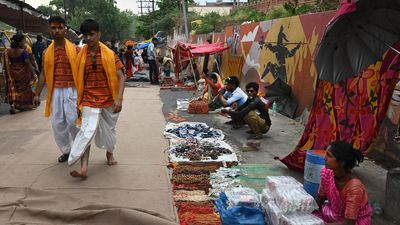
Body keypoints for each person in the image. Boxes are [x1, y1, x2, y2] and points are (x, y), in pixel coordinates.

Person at [68, 19, 125, 179]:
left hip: (108, 99)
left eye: (92, 34)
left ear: (98, 34)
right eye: (86, 35)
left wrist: (119, 98)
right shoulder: (79, 54)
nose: (89, 38)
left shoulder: (110, 54)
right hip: (88, 99)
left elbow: (121, 77)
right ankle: (84, 168)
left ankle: (109, 153)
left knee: (109, 129)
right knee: (86, 131)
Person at [35, 16, 80, 163]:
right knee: (57, 123)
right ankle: (67, 151)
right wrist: (36, 94)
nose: (57, 31)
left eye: (60, 27)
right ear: (50, 30)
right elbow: (43, 73)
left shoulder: (75, 49)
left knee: (74, 122)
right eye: (54, 28)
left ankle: (80, 149)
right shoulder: (47, 52)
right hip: (56, 91)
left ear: (65, 29)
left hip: (72, 90)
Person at [314, 141, 372, 225]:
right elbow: (319, 199)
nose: (325, 158)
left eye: (329, 155)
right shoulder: (327, 174)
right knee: (320, 212)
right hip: (336, 214)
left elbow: (349, 222)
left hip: (355, 221)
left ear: (341, 162)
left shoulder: (354, 187)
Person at [1, 33, 36, 114]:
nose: (25, 42)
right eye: (24, 41)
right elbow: (28, 63)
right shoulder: (23, 52)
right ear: (19, 42)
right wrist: (33, 72)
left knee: (15, 89)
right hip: (23, 73)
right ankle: (23, 105)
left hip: (12, 73)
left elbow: (6, 63)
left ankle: (14, 104)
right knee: (25, 89)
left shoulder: (7, 51)